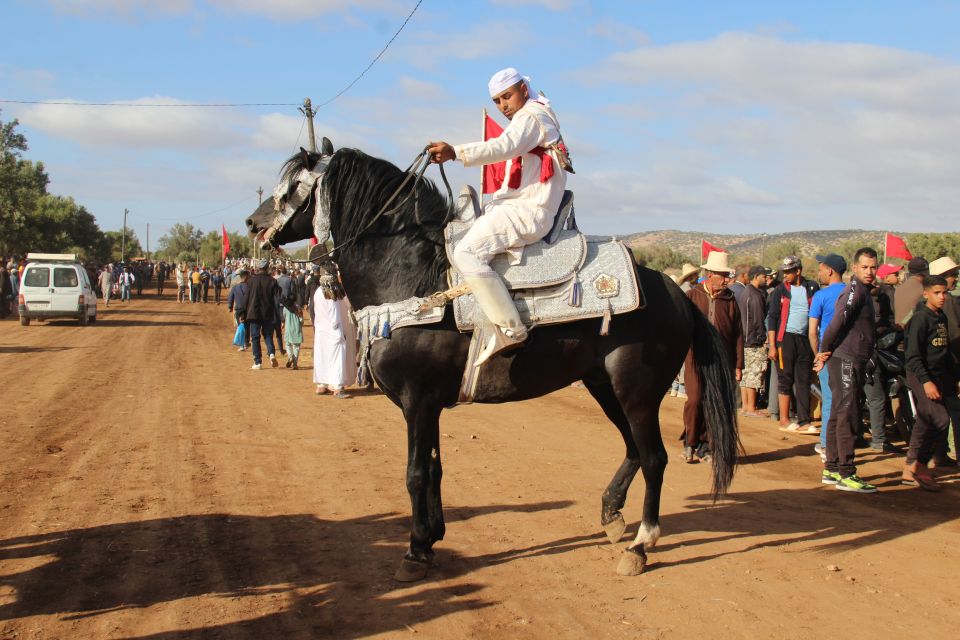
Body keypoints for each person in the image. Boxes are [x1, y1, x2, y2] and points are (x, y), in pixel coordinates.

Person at [426, 67, 570, 365]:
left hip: (528, 211)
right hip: (518, 206)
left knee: (465, 252)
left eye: (507, 96)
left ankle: (510, 328)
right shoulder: (533, 115)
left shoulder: (531, 117)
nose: (503, 105)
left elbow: (503, 147)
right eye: (497, 100)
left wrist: (456, 152)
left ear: (524, 90)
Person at [815, 247, 879, 494]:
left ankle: (831, 468)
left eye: (873, 267)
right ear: (854, 268)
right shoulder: (854, 291)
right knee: (847, 414)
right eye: (865, 267)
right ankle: (846, 472)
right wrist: (824, 351)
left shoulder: (863, 291)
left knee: (840, 413)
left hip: (851, 359)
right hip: (845, 360)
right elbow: (836, 322)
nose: (870, 271)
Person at [681, 251, 743, 463]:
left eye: (727, 275)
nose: (727, 279)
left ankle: (706, 446)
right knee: (696, 399)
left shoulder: (731, 300)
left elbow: (738, 335)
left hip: (721, 361)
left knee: (713, 402)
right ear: (709, 274)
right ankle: (690, 441)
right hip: (695, 358)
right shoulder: (692, 296)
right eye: (722, 275)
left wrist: (738, 364)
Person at [902, 275, 954, 491]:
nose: (942, 297)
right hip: (920, 376)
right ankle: (921, 468)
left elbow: (942, 351)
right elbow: (913, 356)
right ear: (926, 294)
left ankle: (909, 468)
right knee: (940, 419)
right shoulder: (920, 319)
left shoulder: (940, 316)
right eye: (937, 293)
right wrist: (926, 382)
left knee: (925, 422)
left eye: (944, 292)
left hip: (937, 376)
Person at [766, 255, 819, 434]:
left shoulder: (812, 287)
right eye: (784, 272)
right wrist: (772, 345)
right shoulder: (779, 291)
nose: (785, 275)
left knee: (803, 379)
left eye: (788, 271)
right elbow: (772, 318)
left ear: (798, 271)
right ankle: (784, 419)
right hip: (784, 339)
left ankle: (804, 421)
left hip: (805, 338)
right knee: (785, 378)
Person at [808, 253, 848, 460]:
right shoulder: (853, 293)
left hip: (827, 354)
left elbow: (813, 332)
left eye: (821, 268)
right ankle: (844, 442)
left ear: (830, 271)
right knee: (847, 400)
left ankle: (826, 445)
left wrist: (817, 356)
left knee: (830, 400)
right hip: (849, 353)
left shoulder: (821, 296)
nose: (819, 272)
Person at [928, 256, 960, 466]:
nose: (955, 279)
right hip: (948, 366)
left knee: (940, 413)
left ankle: (939, 453)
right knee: (954, 411)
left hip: (936, 367)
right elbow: (956, 338)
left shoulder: (927, 304)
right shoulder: (950, 302)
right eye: (952, 275)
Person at [312, 266, 357, 399]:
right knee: (337, 358)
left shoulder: (318, 291)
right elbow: (335, 316)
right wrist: (339, 331)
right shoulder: (331, 293)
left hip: (321, 331)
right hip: (334, 332)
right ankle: (337, 387)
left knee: (322, 357)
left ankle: (322, 384)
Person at [738, 265, 768, 416]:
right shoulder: (755, 295)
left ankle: (745, 406)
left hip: (744, 339)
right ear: (756, 276)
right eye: (764, 276)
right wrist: (763, 337)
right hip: (753, 340)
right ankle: (751, 408)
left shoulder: (745, 292)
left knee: (746, 374)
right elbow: (758, 320)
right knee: (754, 374)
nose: (766, 279)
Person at [244, 259, 280, 370]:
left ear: (258, 268)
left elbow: (246, 298)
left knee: (255, 337)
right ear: (267, 268)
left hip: (253, 313)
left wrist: (242, 312)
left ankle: (258, 362)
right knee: (268, 335)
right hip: (268, 313)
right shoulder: (273, 281)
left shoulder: (251, 281)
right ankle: (271, 353)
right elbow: (277, 299)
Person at [894, 257, 929, 327]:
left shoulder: (898, 289)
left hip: (899, 331)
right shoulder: (924, 290)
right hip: (912, 333)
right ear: (926, 272)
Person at [227, 269, 249, 351]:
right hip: (247, 309)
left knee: (240, 326)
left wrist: (230, 307)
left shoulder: (235, 287)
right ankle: (246, 342)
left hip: (238, 309)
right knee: (247, 325)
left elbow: (230, 298)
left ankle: (242, 344)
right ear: (246, 277)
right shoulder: (249, 287)